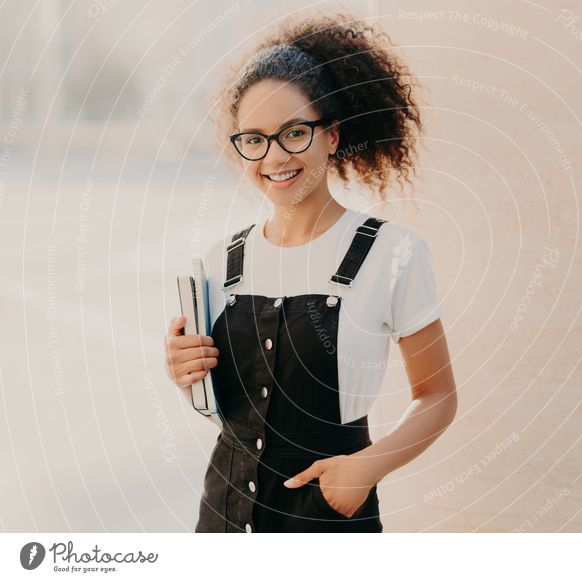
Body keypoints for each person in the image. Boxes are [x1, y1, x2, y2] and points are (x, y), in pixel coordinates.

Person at [163, 12, 457, 533]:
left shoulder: (393, 254)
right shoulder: (218, 263)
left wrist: (368, 467)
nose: (274, 157)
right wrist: (188, 377)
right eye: (253, 139)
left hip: (327, 520)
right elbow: (229, 411)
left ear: (332, 135)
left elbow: (437, 397)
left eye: (294, 133)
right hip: (222, 520)